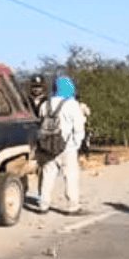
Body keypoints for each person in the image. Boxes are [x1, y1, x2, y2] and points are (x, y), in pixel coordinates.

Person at [35, 76, 88, 216]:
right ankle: (72, 206)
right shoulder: (72, 104)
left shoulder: (45, 104)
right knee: (70, 176)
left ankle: (43, 205)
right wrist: (76, 144)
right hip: (67, 147)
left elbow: (40, 123)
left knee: (47, 175)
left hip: (46, 145)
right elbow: (78, 128)